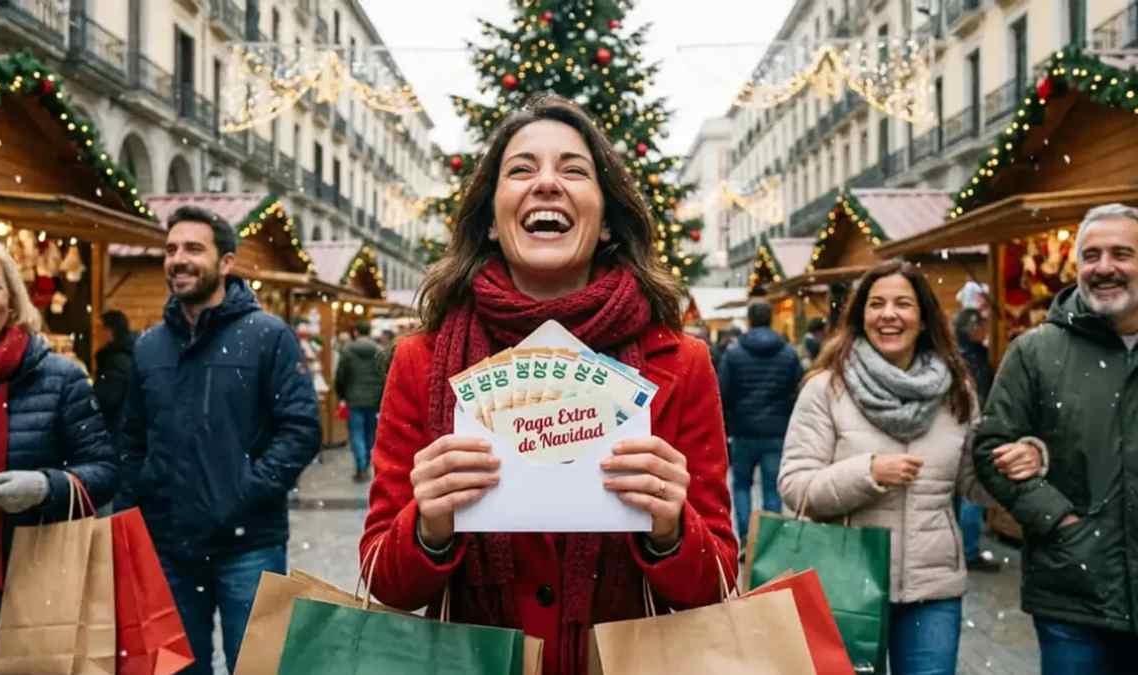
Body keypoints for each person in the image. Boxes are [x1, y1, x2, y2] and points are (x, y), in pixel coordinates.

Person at [360, 94, 737, 675]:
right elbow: (383, 584)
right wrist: (428, 525)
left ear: (607, 217)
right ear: (490, 217)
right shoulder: (421, 361)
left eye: (574, 169)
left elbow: (715, 585)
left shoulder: (680, 364)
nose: (546, 184)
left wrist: (669, 528)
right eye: (520, 169)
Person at [778, 260, 1042, 675]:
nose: (889, 314)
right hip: (845, 581)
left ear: (922, 318)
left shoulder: (956, 391)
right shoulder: (825, 389)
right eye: (876, 303)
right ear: (861, 315)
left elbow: (972, 483)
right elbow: (795, 487)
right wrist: (868, 473)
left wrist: (1020, 461)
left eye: (903, 303)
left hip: (932, 589)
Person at [114, 206, 321, 674]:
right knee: (176, 669)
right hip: (169, 547)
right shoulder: (149, 346)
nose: (178, 259)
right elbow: (130, 437)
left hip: (249, 545)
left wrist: (246, 490)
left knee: (257, 667)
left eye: (193, 248)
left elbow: (300, 428)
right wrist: (144, 491)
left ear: (226, 262)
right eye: (170, 249)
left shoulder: (267, 336)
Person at [0, 236, 116, 674]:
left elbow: (106, 471)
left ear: (13, 301)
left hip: (37, 598)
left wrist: (45, 487)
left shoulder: (59, 379)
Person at [973, 203, 1138, 674]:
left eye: (1121, 253)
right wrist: (1060, 522)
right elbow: (990, 447)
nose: (1104, 267)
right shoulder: (1037, 350)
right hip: (1072, 591)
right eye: (1091, 255)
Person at [718, 300, 802, 548]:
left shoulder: (733, 353)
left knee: (742, 486)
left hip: (743, 431)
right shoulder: (788, 352)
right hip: (776, 431)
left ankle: (746, 539)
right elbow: (796, 389)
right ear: (770, 318)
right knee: (773, 489)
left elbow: (723, 392)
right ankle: (770, 543)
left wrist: (730, 421)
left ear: (750, 320)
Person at [952, 307, 1001, 573]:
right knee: (971, 492)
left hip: (957, 427)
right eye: (981, 326)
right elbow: (984, 393)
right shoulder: (975, 356)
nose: (984, 331)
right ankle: (968, 551)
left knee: (959, 495)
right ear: (972, 328)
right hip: (973, 427)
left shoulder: (953, 354)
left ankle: (960, 549)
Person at [334, 320, 386, 482]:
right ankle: (367, 462)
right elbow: (383, 376)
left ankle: (361, 465)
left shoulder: (347, 350)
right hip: (374, 399)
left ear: (356, 332)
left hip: (354, 399)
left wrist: (342, 395)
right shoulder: (379, 350)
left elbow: (340, 376)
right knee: (370, 433)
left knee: (356, 433)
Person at [93, 308, 134, 436]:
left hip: (116, 432)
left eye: (99, 328)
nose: (95, 332)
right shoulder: (118, 356)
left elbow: (106, 400)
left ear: (109, 331)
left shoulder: (116, 361)